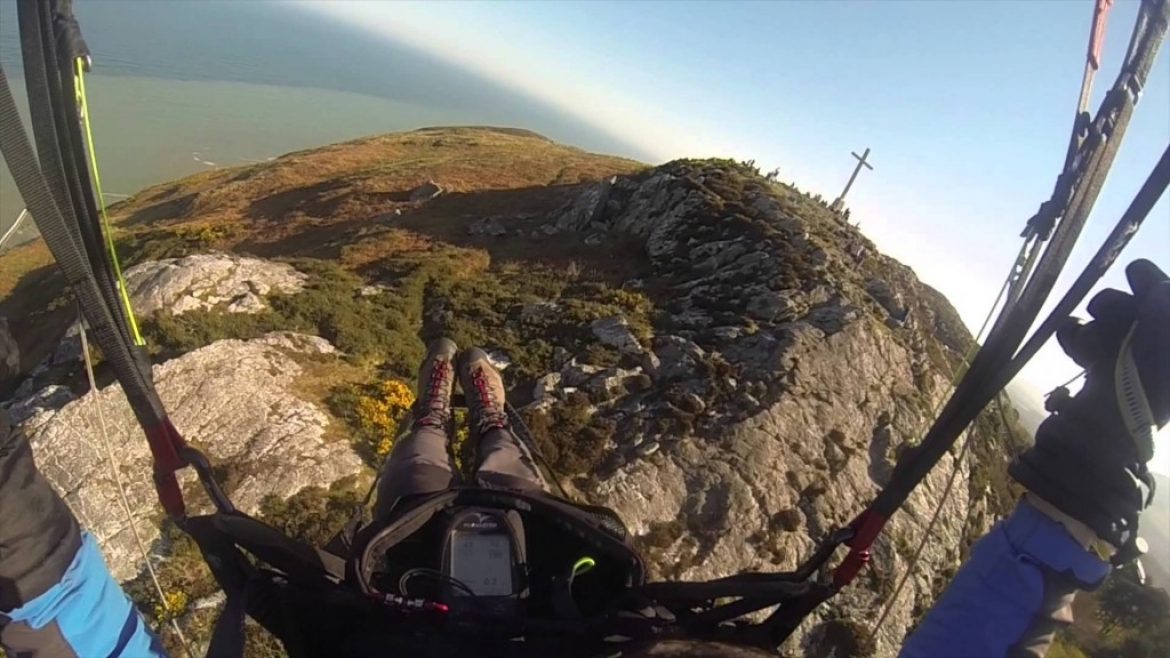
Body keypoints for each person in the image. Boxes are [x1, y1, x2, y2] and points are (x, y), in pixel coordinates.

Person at [1, 259, 1166, 658]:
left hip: (399, 583)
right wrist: (1065, 515)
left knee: (422, 469)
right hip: (554, 588)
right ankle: (480, 395)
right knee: (497, 471)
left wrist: (28, 529)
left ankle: (446, 390)